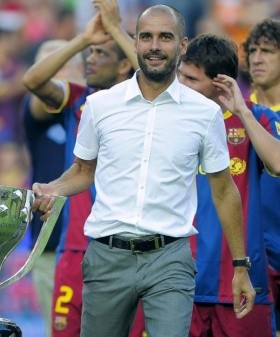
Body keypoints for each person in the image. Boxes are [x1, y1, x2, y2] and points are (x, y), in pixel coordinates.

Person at [31, 5, 255, 337]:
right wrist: (54, 188)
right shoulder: (100, 106)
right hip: (107, 256)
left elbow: (224, 191)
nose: (154, 46)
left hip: (171, 259)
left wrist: (240, 266)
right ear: (134, 44)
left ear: (182, 46)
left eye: (165, 37)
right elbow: (81, 171)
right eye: (146, 37)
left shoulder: (206, 114)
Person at [22, 1, 140, 336]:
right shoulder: (78, 99)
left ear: (122, 67)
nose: (89, 58)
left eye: (100, 54)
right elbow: (33, 79)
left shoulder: (143, 104)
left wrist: (117, 31)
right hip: (73, 245)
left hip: (124, 244)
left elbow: (160, 80)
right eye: (89, 53)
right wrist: (83, 39)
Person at [177, 33, 279, 337]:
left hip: (244, 281)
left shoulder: (256, 117)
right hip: (179, 282)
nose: (181, 86)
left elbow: (277, 163)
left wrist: (242, 112)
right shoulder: (169, 119)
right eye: (181, 76)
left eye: (192, 80)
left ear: (220, 83)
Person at [22, 39, 83, 337]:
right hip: (51, 242)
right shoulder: (37, 112)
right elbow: (40, 91)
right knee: (58, 330)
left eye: (61, 62)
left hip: (102, 243)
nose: (52, 71)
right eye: (46, 63)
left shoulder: (101, 107)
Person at [242, 18, 280, 337]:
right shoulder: (234, 111)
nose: (257, 58)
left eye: (267, 51)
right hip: (253, 257)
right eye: (252, 50)